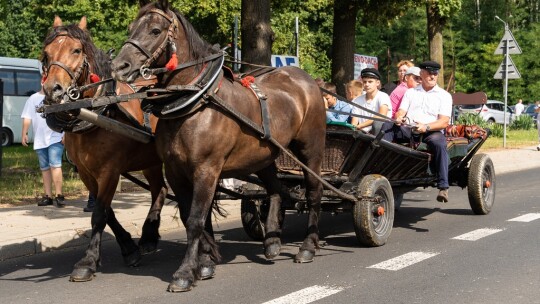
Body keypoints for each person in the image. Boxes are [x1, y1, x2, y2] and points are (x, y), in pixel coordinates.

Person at [380, 60, 452, 203]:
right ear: (421, 73)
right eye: (429, 73)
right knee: (388, 125)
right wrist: (399, 117)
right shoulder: (410, 93)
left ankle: (443, 187)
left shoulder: (444, 95)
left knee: (439, 143)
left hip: (431, 132)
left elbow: (444, 122)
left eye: (435, 74)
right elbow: (401, 111)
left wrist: (427, 127)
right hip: (410, 129)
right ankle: (380, 163)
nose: (432, 76)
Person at [21, 85, 66, 208]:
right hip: (40, 139)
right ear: (42, 82)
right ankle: (48, 196)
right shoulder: (33, 99)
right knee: (45, 168)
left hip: (55, 136)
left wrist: (65, 134)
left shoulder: (58, 98)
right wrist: (24, 132)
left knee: (55, 165)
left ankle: (59, 195)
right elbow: (27, 116)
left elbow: (66, 116)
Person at [350, 68, 391, 133]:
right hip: (362, 135)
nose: (367, 84)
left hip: (380, 135)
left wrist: (360, 126)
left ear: (377, 83)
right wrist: (353, 128)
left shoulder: (383, 96)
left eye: (370, 82)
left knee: (377, 124)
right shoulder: (357, 100)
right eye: (364, 82)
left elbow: (382, 115)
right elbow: (354, 122)